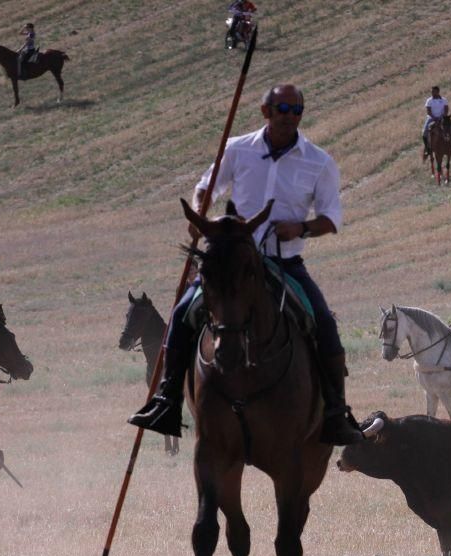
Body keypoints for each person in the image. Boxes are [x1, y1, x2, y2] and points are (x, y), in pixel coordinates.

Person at [129, 83, 364, 445]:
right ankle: (167, 399)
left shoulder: (319, 161)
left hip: (283, 262)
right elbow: (205, 187)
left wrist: (301, 227)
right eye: (282, 109)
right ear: (265, 111)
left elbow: (331, 219)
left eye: (296, 110)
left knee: (324, 322)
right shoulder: (238, 150)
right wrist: (200, 211)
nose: (290, 117)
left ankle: (335, 412)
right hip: (231, 266)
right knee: (181, 315)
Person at [422, 86, 451, 155]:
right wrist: (434, 117)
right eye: (432, 91)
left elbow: (446, 109)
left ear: (438, 92)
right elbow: (428, 111)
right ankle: (427, 148)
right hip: (431, 118)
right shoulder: (429, 100)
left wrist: (443, 116)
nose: (432, 93)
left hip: (442, 117)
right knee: (424, 132)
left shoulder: (444, 100)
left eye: (433, 91)